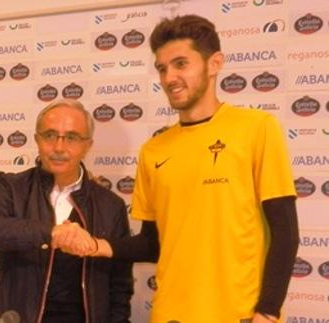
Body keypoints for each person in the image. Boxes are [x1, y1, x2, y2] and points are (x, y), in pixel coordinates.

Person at [55, 15, 299, 323]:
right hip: (169, 315)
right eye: (162, 68)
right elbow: (151, 243)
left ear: (214, 63)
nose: (169, 77)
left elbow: (286, 233)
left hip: (239, 315)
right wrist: (93, 245)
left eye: (181, 64)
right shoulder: (154, 150)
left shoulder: (258, 128)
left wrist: (267, 311)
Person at [0, 99, 134, 323]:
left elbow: (119, 286)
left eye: (71, 137)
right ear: (37, 139)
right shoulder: (13, 188)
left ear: (87, 145)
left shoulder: (111, 205)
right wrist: (49, 233)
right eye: (50, 135)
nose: (59, 147)